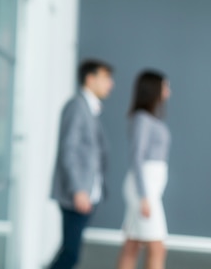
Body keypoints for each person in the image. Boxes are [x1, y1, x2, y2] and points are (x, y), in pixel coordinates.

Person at [49, 59, 114, 269]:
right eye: (106, 78)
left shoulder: (91, 108)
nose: (111, 84)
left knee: (69, 252)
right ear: (90, 78)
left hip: (88, 193)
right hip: (78, 194)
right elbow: (69, 150)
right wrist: (78, 190)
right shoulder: (77, 106)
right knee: (70, 255)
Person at [117, 70, 171, 269]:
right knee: (157, 248)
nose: (168, 92)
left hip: (148, 187)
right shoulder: (142, 118)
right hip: (143, 188)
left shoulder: (149, 118)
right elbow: (137, 157)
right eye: (165, 87)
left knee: (132, 245)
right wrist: (144, 196)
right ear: (154, 89)